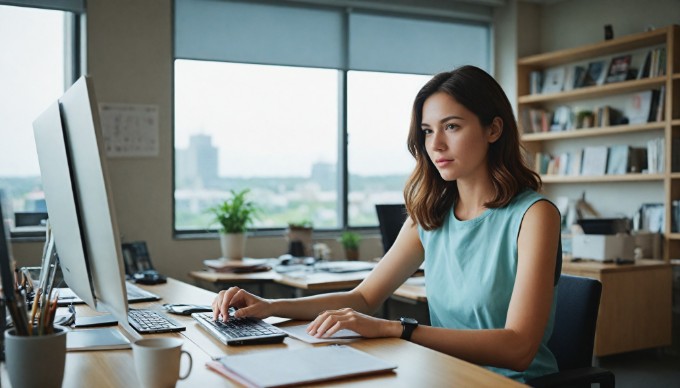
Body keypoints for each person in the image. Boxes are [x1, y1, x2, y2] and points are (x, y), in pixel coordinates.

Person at [212, 65, 562, 382]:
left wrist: (398, 329)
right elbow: (363, 296)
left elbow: (518, 349)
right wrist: (270, 307)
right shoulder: (430, 215)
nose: (435, 144)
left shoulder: (534, 215)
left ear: (493, 129)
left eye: (452, 126)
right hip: (449, 376)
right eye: (427, 131)